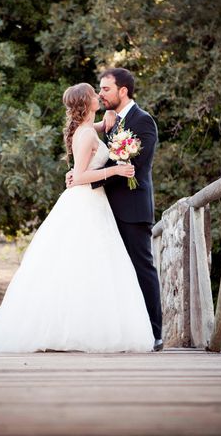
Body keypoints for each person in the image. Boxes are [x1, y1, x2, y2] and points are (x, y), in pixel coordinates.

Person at [0, 83, 153, 353]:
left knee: (88, 268)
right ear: (86, 102)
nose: (99, 96)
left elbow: (93, 135)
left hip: (94, 204)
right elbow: (79, 177)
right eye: (95, 94)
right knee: (81, 265)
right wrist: (116, 171)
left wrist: (108, 121)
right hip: (84, 203)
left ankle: (84, 327)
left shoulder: (87, 129)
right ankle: (70, 330)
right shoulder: (83, 135)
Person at [68, 68, 163, 352]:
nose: (101, 94)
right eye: (99, 90)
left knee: (142, 269)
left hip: (132, 209)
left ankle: (154, 333)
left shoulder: (143, 121)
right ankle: (120, 332)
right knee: (110, 273)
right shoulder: (108, 121)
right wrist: (79, 174)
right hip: (102, 210)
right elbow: (89, 150)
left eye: (106, 89)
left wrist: (83, 174)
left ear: (123, 91)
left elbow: (138, 165)